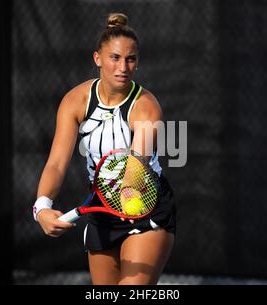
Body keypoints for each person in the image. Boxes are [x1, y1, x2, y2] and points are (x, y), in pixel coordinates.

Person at [32, 13, 176, 285]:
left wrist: (115, 196)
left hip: (146, 209)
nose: (123, 67)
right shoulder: (75, 101)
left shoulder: (147, 106)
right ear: (97, 59)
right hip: (102, 213)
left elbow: (134, 171)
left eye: (130, 59)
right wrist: (42, 206)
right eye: (115, 58)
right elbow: (56, 163)